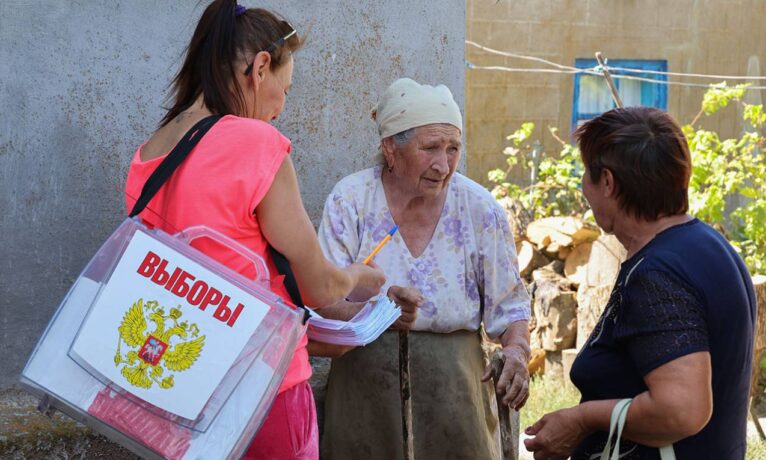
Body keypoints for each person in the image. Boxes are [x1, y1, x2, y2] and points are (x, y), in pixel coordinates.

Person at [123, 2, 385, 459]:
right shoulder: (256, 143)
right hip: (260, 388)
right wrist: (358, 278)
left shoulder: (151, 151)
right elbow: (319, 286)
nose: (282, 107)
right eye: (285, 88)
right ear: (260, 68)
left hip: (176, 384)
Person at [315, 78, 532, 460]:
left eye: (453, 149)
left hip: (456, 391)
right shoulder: (351, 200)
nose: (443, 164)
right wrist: (379, 314)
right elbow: (321, 298)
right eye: (430, 148)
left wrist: (516, 350)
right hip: (364, 389)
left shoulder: (479, 210)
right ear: (390, 150)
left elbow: (510, 307)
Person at [524, 107, 756, 459]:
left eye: (586, 174)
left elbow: (682, 409)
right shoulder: (708, 243)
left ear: (608, 182)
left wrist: (583, 419)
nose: (583, 187)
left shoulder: (658, 277)